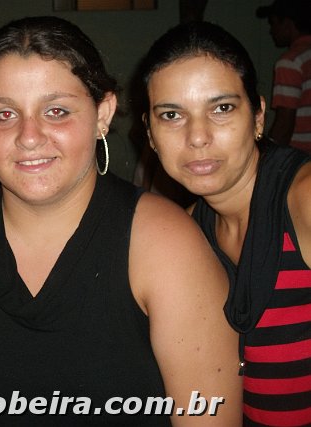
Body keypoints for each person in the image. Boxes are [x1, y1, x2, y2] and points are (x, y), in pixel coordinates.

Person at [0, 16, 242, 426]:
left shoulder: (166, 247)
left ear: (103, 113)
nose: (28, 136)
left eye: (56, 111)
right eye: (3, 114)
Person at [141, 21, 311, 426]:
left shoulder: (303, 200)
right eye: (172, 115)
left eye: (221, 108)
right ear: (149, 135)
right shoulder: (186, 234)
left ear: (258, 116)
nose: (198, 136)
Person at [256, 0, 311, 153]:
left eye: (273, 23)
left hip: (300, 156)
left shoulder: (290, 62)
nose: (271, 31)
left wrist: (268, 157)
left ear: (287, 23)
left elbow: (284, 124)